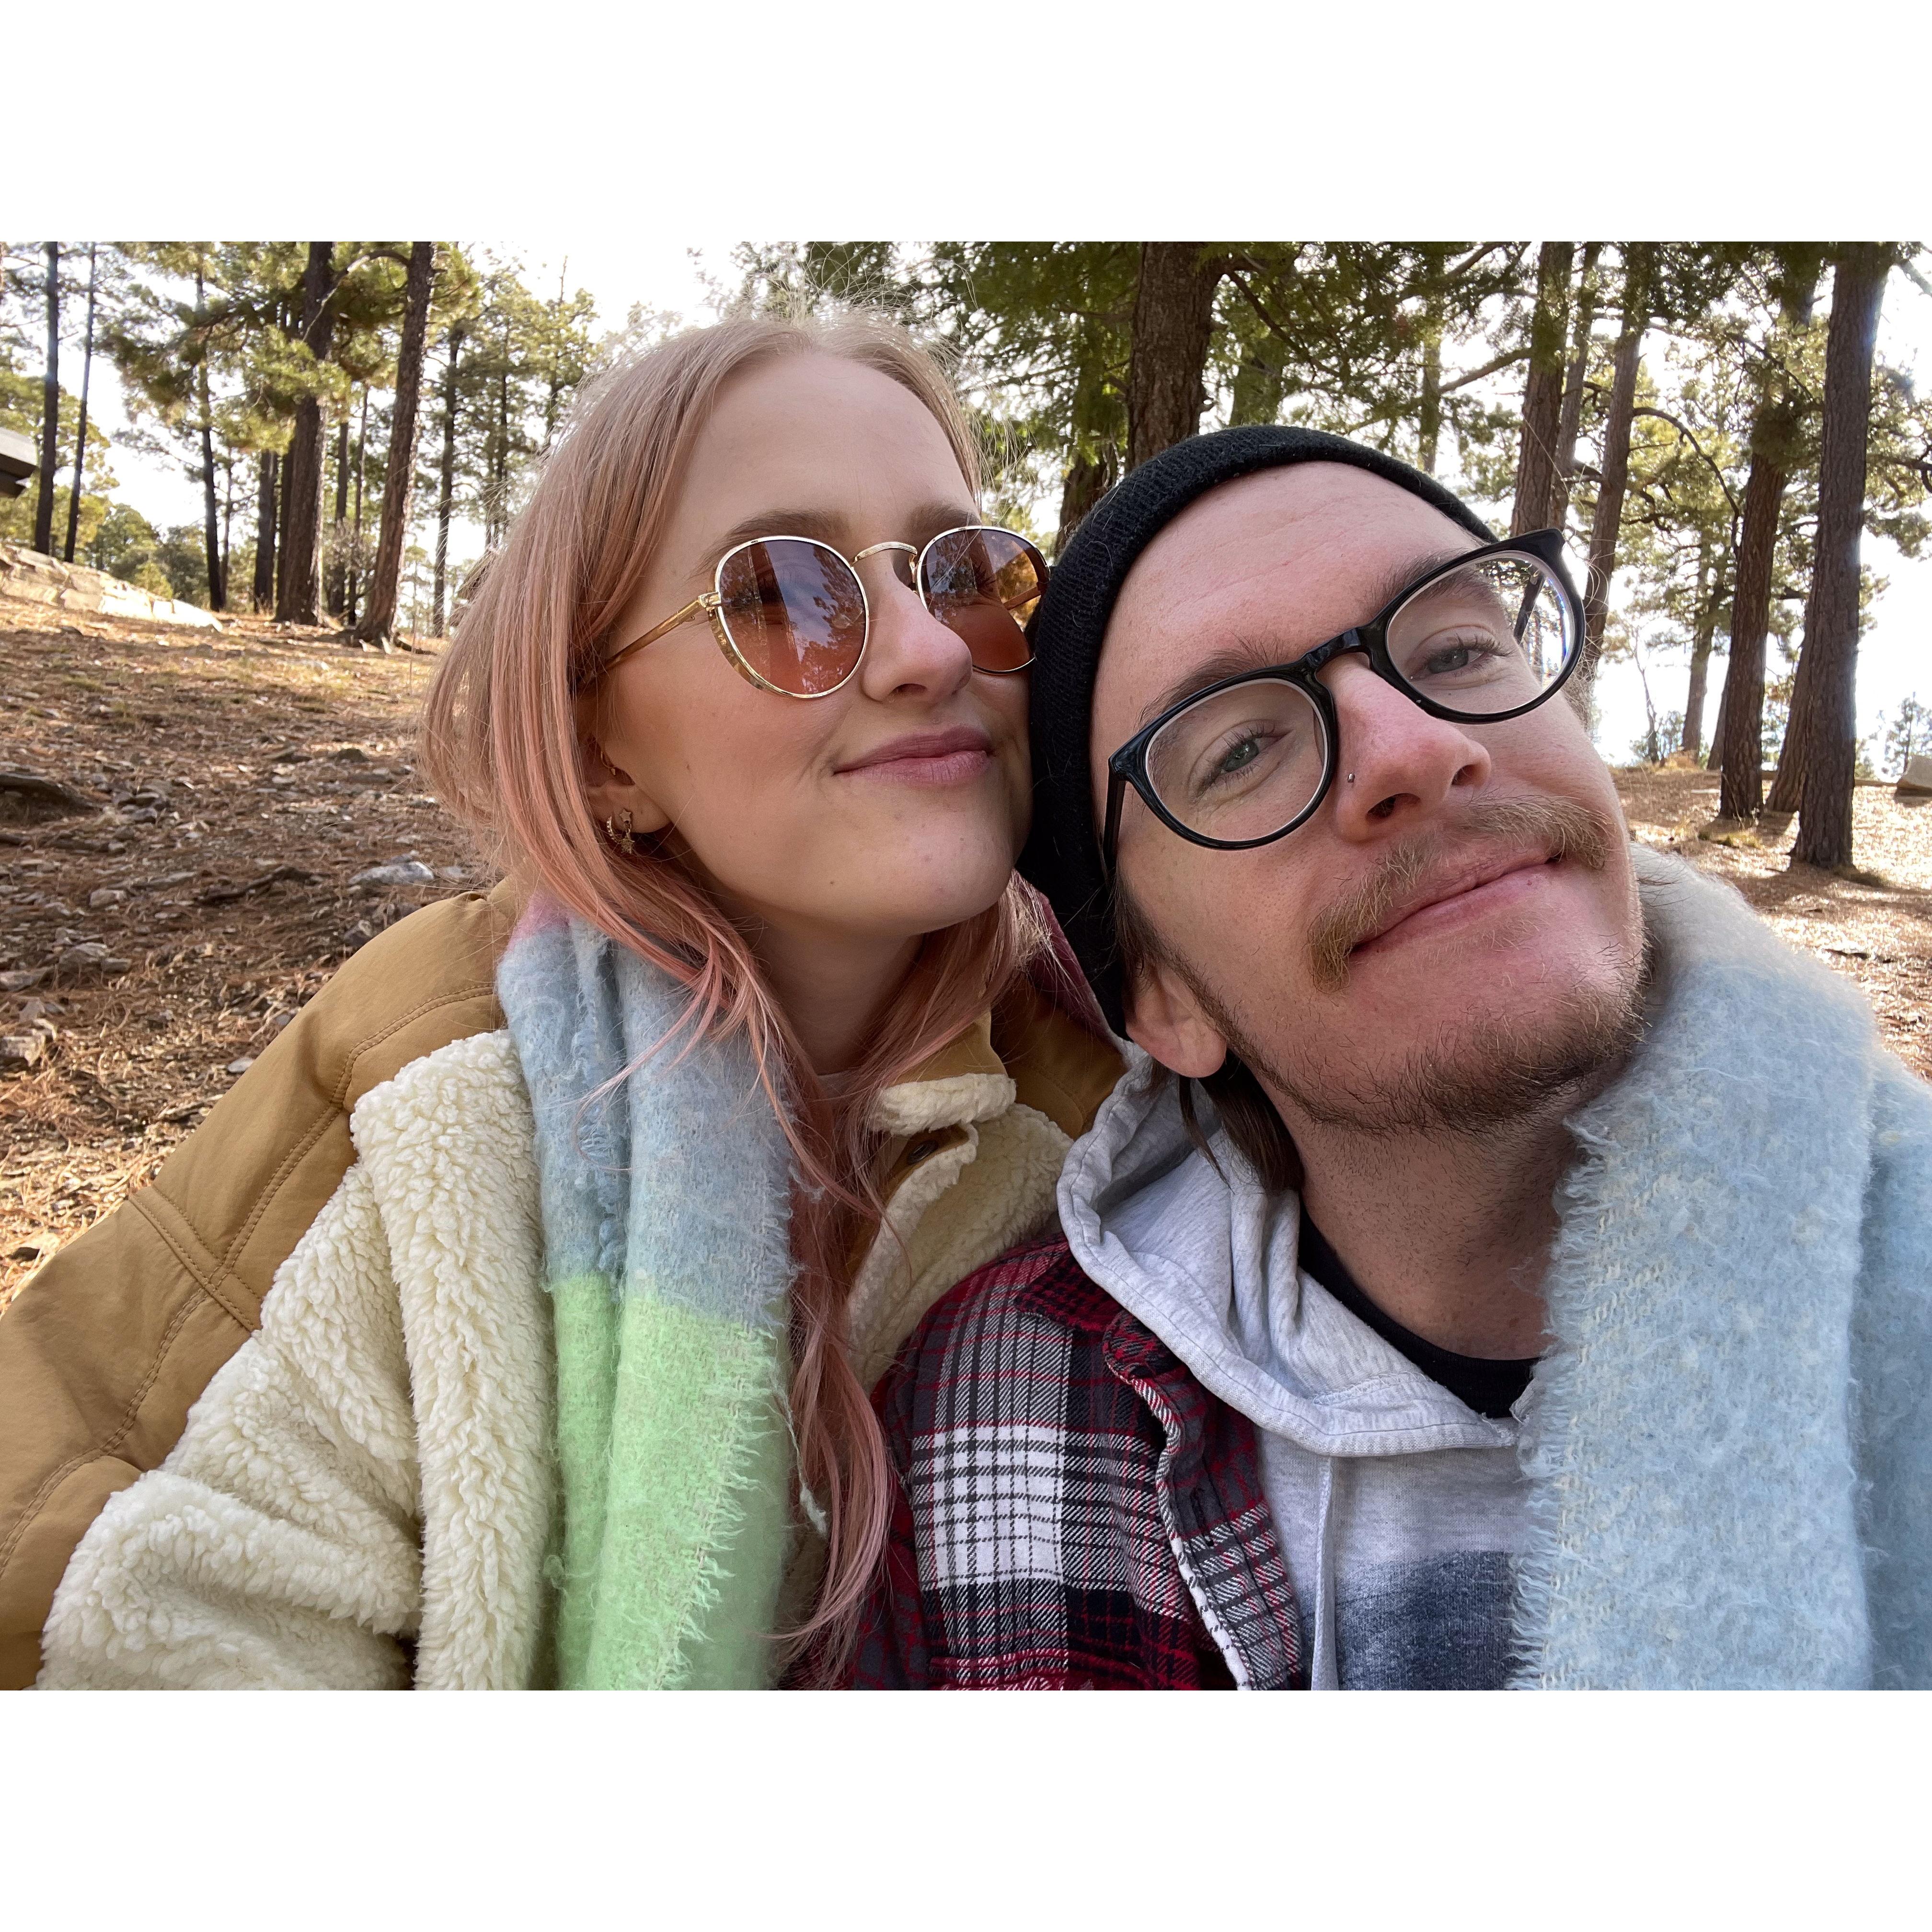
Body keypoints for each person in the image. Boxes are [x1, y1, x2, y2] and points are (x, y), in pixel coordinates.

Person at [1, 310, 1120, 1690]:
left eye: (968, 574)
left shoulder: (1122, 1111)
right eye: (780, 592)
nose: (927, 651)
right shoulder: (441, 1082)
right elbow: (140, 1618)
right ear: (602, 753)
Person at [851, 425, 1932, 1690]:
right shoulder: (992, 1420)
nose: (1416, 745)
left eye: (1461, 648)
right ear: (1164, 1000)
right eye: (1241, 747)